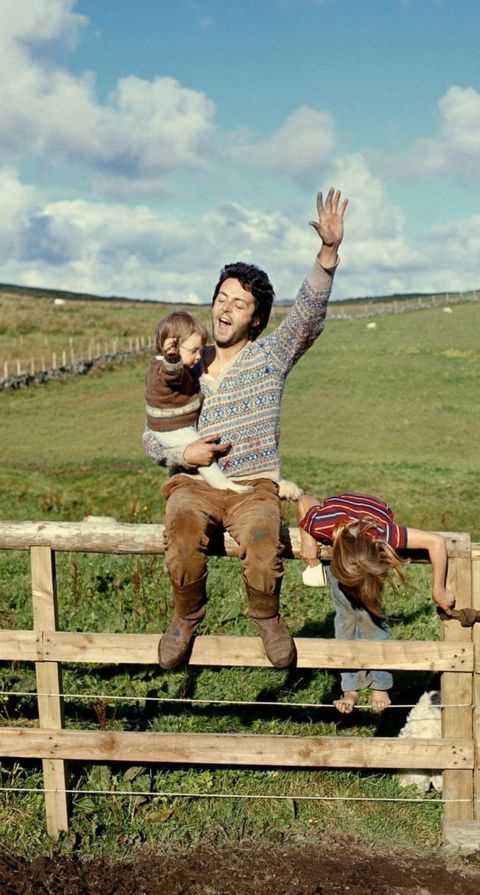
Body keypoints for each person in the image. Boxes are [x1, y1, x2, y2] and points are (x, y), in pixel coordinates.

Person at [143, 188, 348, 672]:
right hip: (194, 485)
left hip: (253, 486)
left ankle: (267, 618)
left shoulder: (269, 359)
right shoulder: (183, 366)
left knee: (261, 537)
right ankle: (185, 617)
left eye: (238, 303)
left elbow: (307, 318)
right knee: (182, 526)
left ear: (255, 317)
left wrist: (328, 253)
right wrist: (181, 455)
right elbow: (152, 435)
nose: (224, 309)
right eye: (220, 298)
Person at [297, 491, 455, 713]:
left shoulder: (385, 534)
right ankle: (350, 688)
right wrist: (307, 538)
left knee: (371, 618)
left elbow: (436, 542)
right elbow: (304, 500)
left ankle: (380, 685)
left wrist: (439, 588)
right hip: (343, 549)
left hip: (369, 538)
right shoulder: (323, 525)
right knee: (345, 620)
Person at [145, 310, 251, 494]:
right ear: (171, 348)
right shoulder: (165, 370)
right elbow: (173, 375)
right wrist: (173, 358)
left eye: (201, 351)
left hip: (172, 424)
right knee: (202, 450)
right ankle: (223, 485)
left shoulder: (163, 366)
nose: (198, 356)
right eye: (194, 351)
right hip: (170, 427)